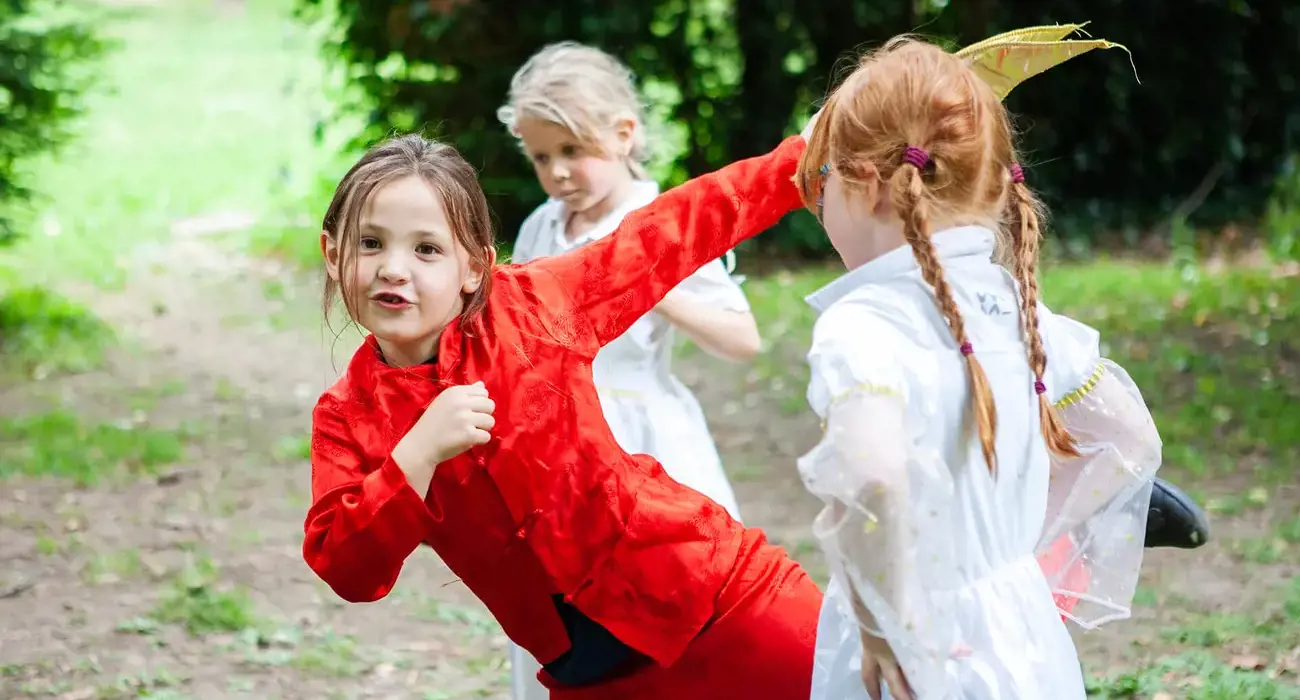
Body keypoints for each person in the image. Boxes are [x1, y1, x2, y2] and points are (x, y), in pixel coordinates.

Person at [300, 117, 825, 697]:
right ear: (332, 252)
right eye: (370, 243)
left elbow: (668, 231)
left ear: (475, 267)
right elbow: (347, 566)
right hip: (593, 677)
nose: (394, 268)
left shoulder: (534, 305)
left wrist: (804, 157)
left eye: (427, 249)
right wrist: (416, 456)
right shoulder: (345, 417)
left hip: (726, 606)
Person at [792, 33, 1162, 699]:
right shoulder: (1022, 311)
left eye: (817, 186)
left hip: (917, 647)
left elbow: (874, 474)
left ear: (868, 183)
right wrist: (1009, 548)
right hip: (1022, 630)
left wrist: (884, 619)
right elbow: (1130, 440)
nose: (816, 212)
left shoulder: (863, 323)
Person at [496, 41, 760, 699]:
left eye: (572, 152)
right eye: (540, 157)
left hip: (644, 436)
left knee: (659, 603)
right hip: (560, 441)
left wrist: (658, 288)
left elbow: (742, 338)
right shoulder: (540, 227)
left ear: (622, 134)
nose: (557, 172)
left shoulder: (661, 224)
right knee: (562, 608)